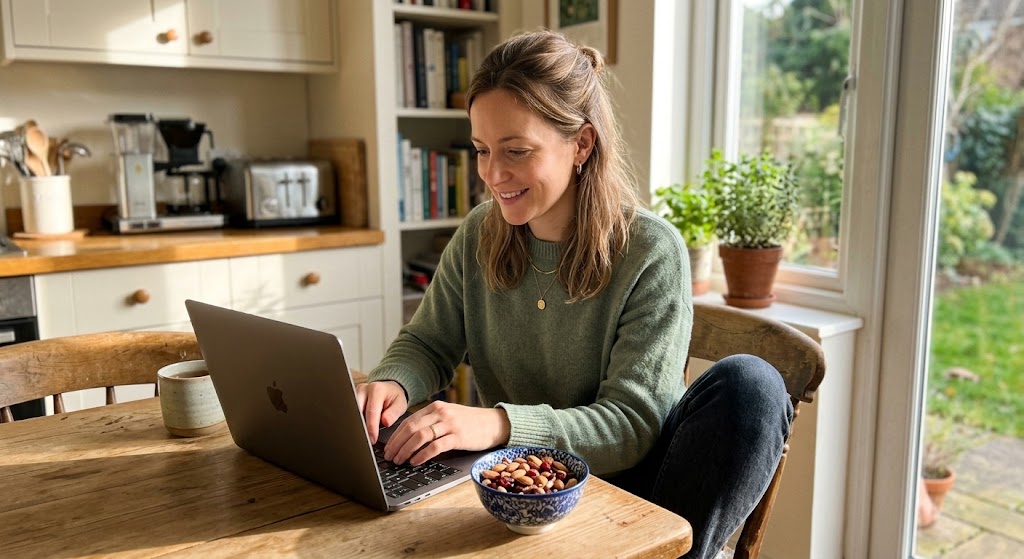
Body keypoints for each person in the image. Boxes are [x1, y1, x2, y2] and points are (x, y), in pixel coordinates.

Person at [357, 30, 793, 559]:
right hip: (520, 493)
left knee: (753, 386)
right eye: (482, 150)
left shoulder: (650, 250)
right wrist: (393, 382)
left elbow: (632, 425)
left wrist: (499, 424)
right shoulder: (478, 233)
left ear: (582, 144)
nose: (493, 174)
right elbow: (428, 343)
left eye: (517, 151)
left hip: (635, 493)